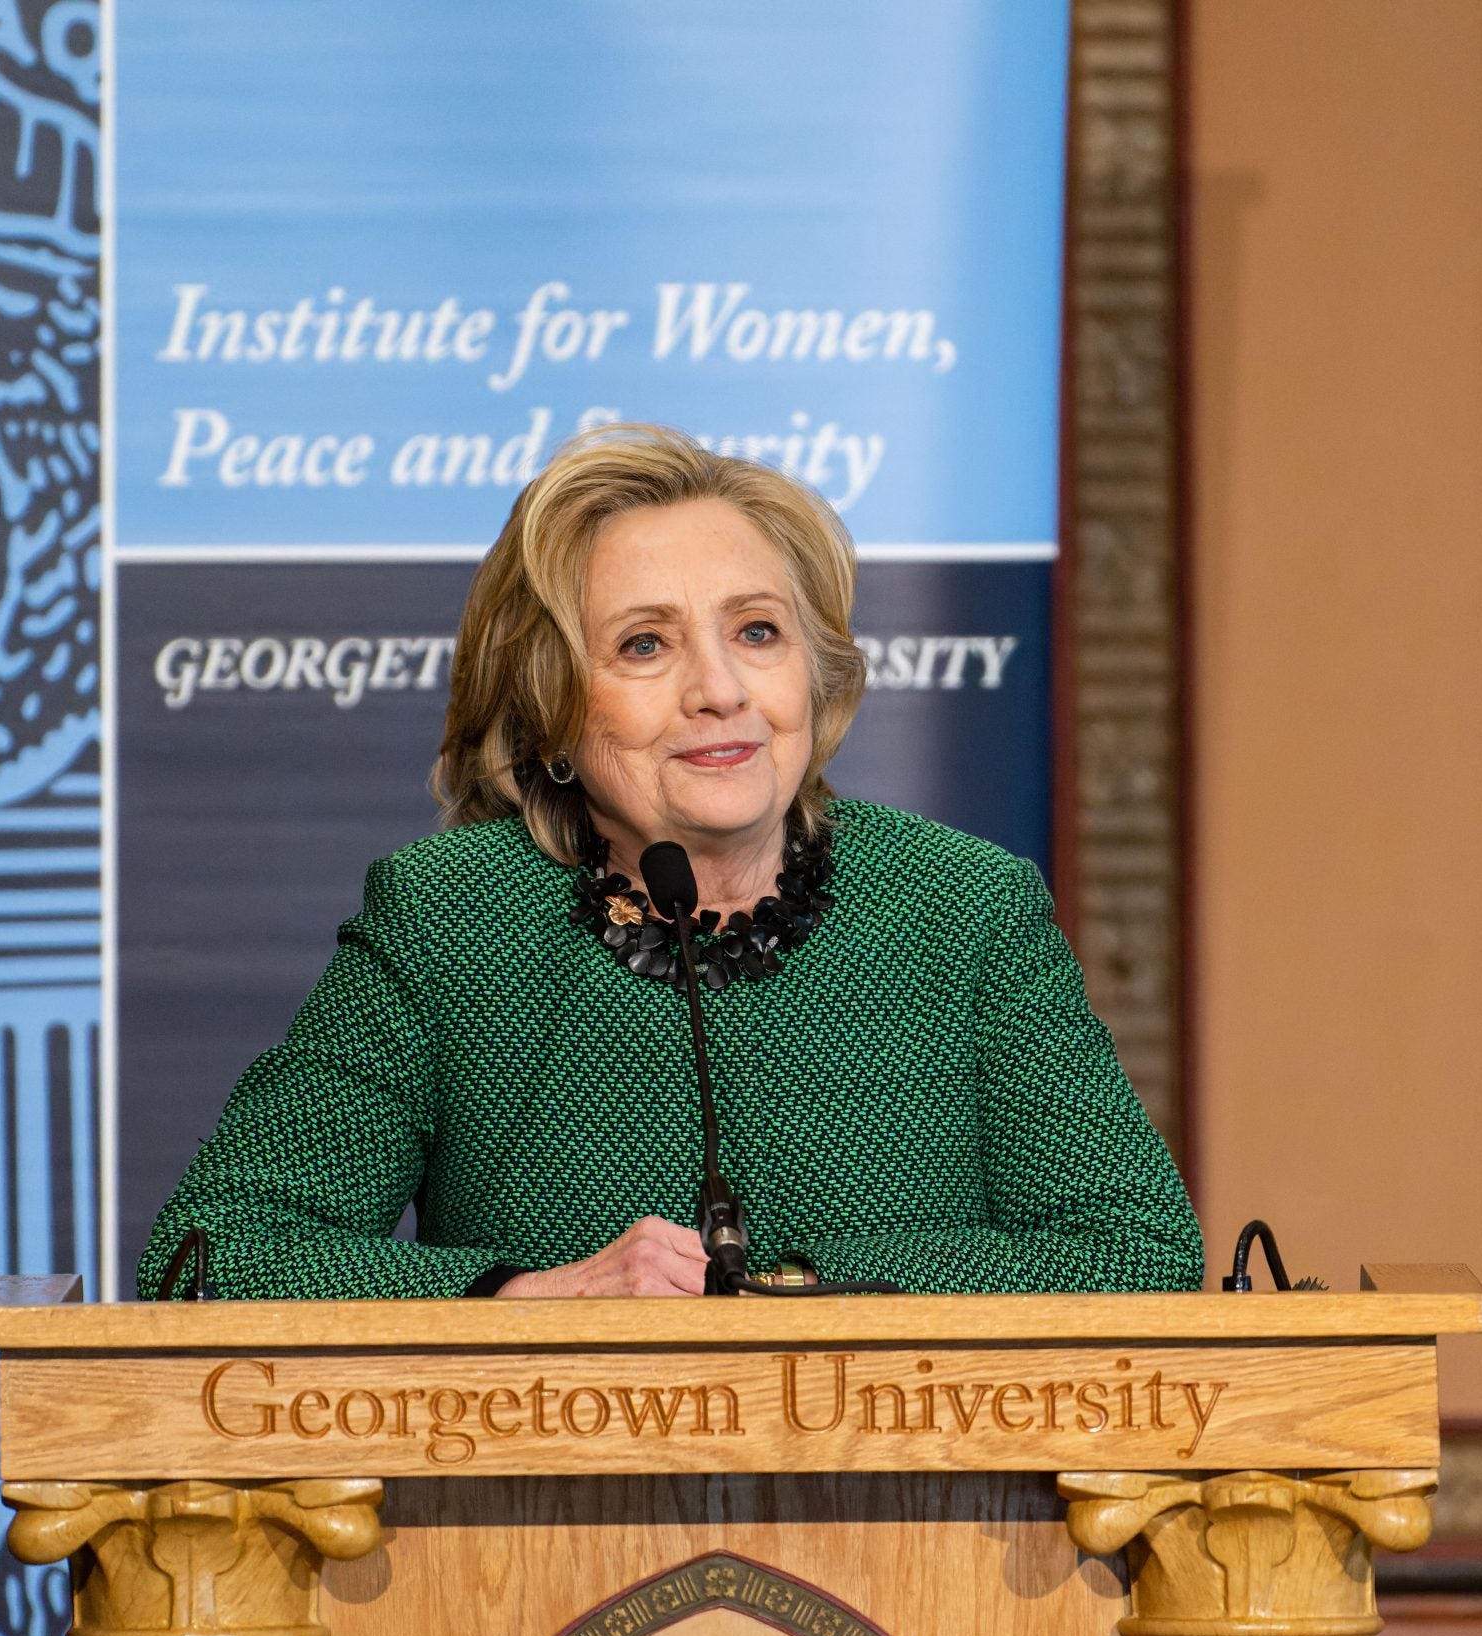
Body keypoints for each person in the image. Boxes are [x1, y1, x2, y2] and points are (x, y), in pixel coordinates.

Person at [139, 424, 1204, 1299]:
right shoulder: (449, 925)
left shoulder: (963, 909)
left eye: (756, 633)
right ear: (551, 707)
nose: (720, 691)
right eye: (645, 645)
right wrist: (524, 1298)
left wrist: (801, 1286)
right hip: (539, 1544)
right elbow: (209, 1259)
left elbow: (1136, 1254)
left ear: (815, 674)